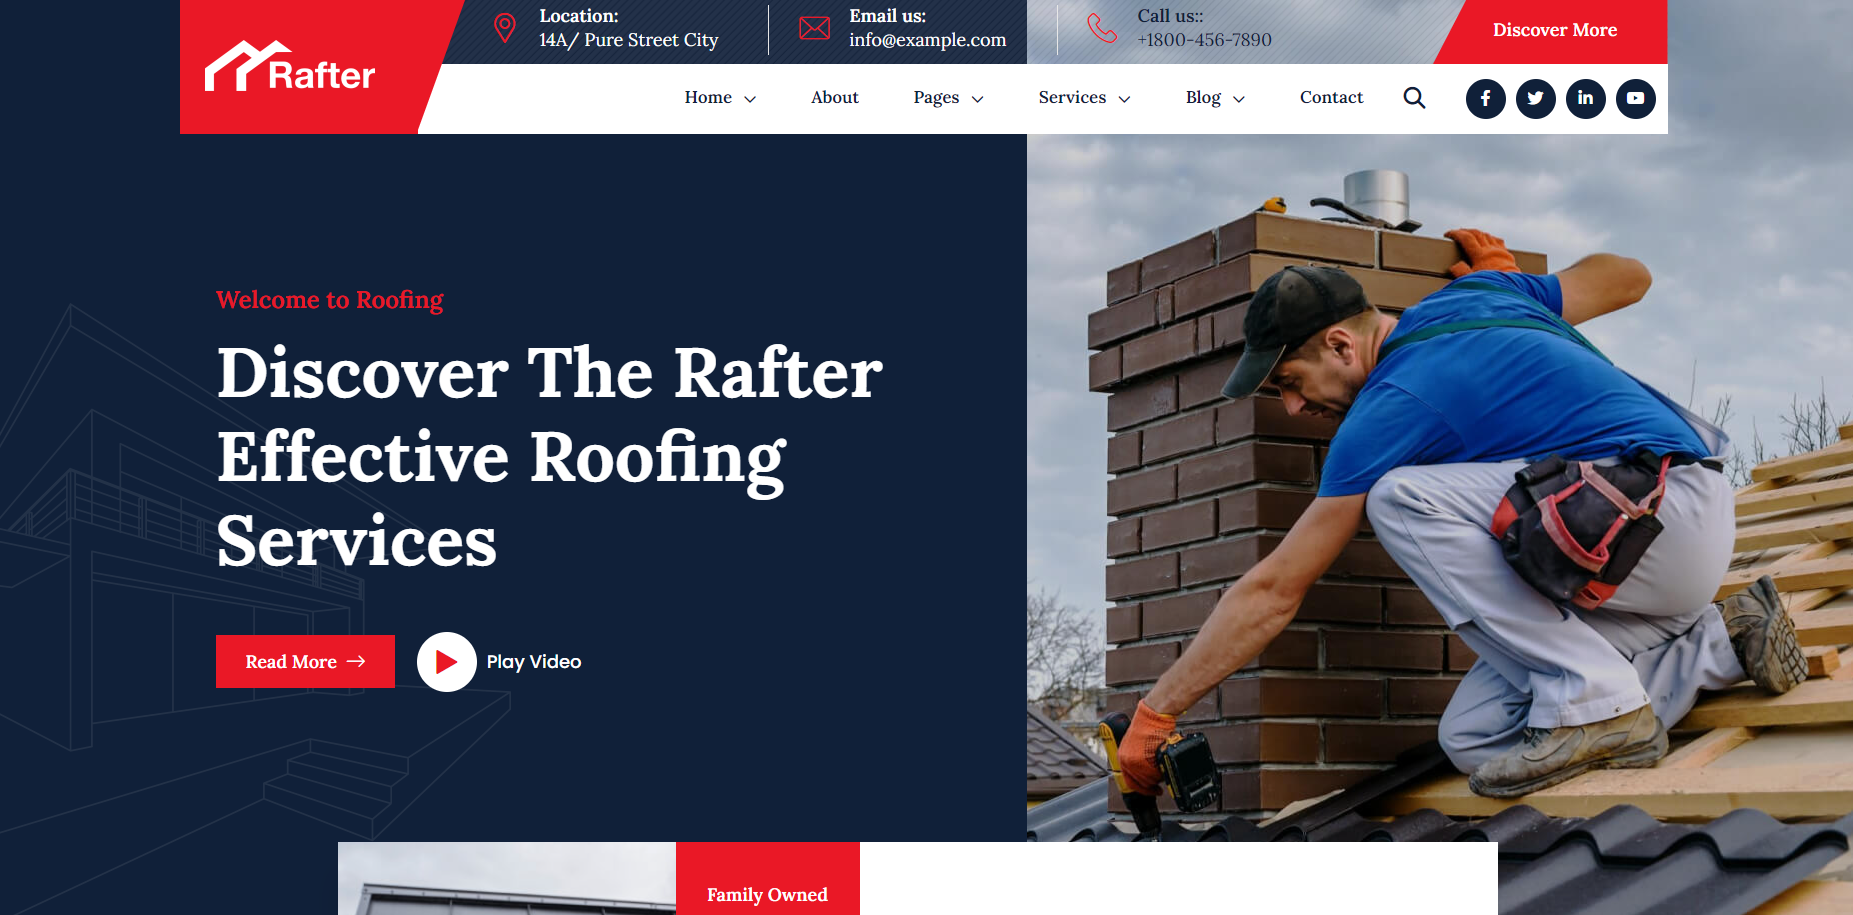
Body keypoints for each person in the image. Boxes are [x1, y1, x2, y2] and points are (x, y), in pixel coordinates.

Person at [1116, 229, 1807, 799]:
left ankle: (1598, 699)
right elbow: (1630, 275)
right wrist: (1522, 289)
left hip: (1657, 512)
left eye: (1290, 382)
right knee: (1474, 737)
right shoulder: (1484, 293)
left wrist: (1158, 711)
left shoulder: (1388, 407)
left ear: (1340, 345)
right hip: (1651, 553)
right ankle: (1720, 642)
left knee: (1400, 497)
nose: (1293, 408)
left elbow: (1274, 589)